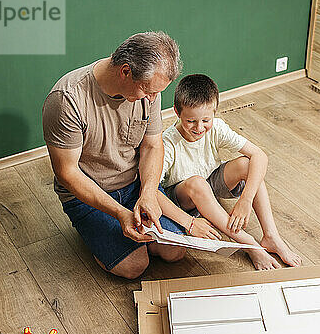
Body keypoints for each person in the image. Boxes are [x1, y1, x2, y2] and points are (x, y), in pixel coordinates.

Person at [42, 32, 216, 279]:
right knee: (134, 266)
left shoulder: (149, 89)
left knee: (175, 252)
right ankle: (95, 236)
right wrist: (120, 214)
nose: (154, 99)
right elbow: (67, 173)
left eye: (157, 92)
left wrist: (148, 194)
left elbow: (152, 146)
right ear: (125, 71)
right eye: (148, 91)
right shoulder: (68, 99)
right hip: (88, 196)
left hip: (134, 186)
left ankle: (132, 236)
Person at [158, 74, 302, 270]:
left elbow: (260, 156)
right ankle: (249, 244)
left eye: (206, 120)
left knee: (248, 164)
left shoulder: (216, 127)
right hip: (183, 195)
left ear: (214, 112)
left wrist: (246, 200)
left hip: (209, 181)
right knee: (198, 183)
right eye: (191, 121)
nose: (199, 128)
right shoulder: (168, 143)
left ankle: (271, 236)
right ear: (177, 111)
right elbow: (153, 192)